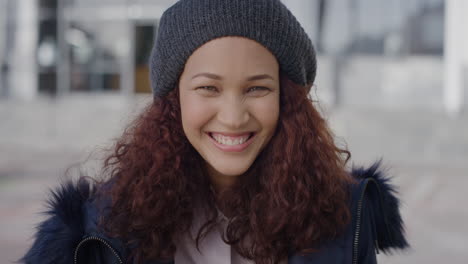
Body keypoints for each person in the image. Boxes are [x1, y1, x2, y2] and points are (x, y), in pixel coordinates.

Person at [21, 0, 409, 263]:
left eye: (257, 88)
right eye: (208, 88)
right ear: (173, 100)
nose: (234, 116)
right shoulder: (95, 228)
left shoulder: (343, 214)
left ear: (288, 100)